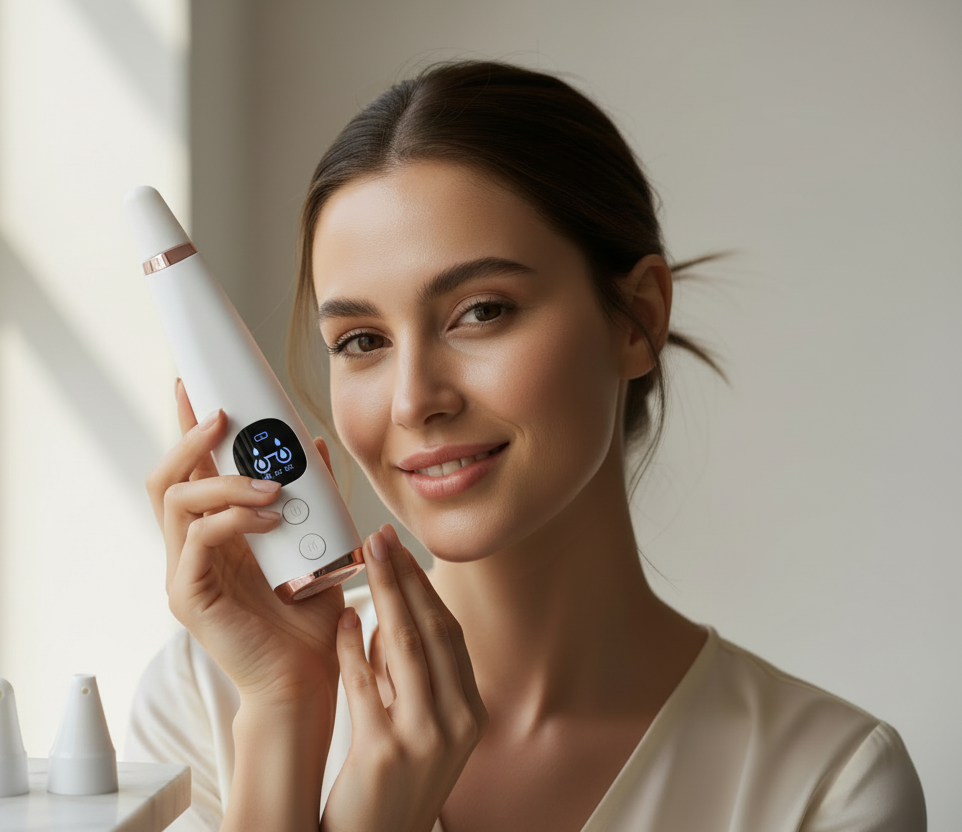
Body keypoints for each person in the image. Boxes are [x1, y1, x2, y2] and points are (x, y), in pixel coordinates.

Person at [127, 61, 926, 832]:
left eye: (482, 312)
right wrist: (286, 717)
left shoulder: (824, 784)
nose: (414, 400)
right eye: (362, 340)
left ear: (635, 316)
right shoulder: (216, 698)